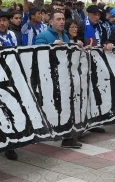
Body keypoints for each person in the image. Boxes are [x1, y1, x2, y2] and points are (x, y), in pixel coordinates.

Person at [34, 11, 83, 148]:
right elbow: (36, 56)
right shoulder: (43, 36)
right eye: (58, 19)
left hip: (65, 78)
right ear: (51, 22)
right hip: (50, 79)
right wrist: (50, 48)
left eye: (63, 19)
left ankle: (68, 137)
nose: (62, 22)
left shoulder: (66, 35)